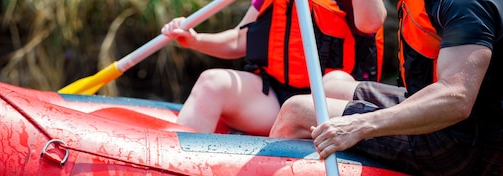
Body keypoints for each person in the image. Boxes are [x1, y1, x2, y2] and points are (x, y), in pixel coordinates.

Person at [270, 0, 503, 176]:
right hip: (446, 124)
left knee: (295, 111)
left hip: (464, 148)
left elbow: (457, 98)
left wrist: (360, 125)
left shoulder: (464, 5)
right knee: (331, 84)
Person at [161, 0, 386, 135]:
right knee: (212, 82)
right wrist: (195, 40)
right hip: (274, 97)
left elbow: (371, 22)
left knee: (333, 83)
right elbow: (239, 40)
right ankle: (177, 171)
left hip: (327, 105)